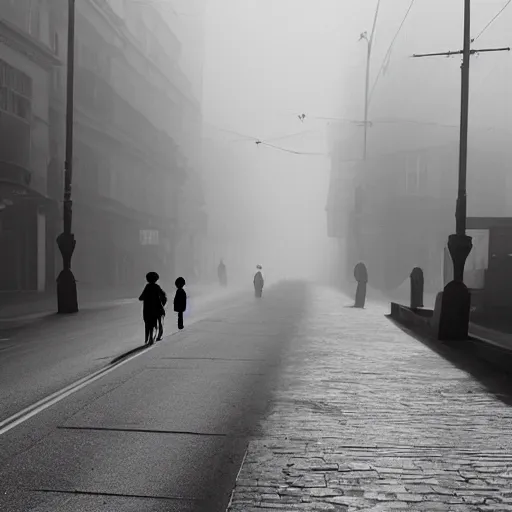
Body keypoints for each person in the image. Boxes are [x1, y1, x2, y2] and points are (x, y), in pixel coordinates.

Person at [139, 271, 167, 345]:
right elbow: (163, 295)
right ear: (156, 279)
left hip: (148, 309)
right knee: (160, 322)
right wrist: (163, 304)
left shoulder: (147, 287)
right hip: (157, 308)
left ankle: (150, 337)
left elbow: (141, 297)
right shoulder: (156, 287)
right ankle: (159, 336)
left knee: (149, 324)